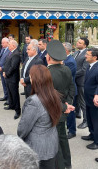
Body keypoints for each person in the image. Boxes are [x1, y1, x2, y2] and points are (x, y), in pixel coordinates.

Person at [18, 65, 62, 169]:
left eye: (31, 77)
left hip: (37, 149)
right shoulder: (54, 95)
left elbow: (22, 129)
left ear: (35, 80)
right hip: (52, 144)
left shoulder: (34, 101)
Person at [46, 40, 75, 169]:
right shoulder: (67, 69)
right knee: (62, 138)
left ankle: (60, 165)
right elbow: (71, 88)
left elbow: (49, 97)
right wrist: (67, 105)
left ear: (48, 57)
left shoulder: (47, 73)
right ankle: (67, 163)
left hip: (52, 112)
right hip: (63, 110)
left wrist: (64, 107)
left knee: (55, 140)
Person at [81, 48, 98, 150]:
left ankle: (96, 142)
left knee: (96, 121)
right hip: (88, 98)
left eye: (88, 54)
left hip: (94, 100)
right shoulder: (89, 66)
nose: (85, 56)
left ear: (95, 57)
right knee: (90, 119)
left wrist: (96, 94)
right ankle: (92, 134)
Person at [3, 40, 21, 119]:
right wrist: (4, 72)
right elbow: (6, 63)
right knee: (10, 92)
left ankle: (17, 110)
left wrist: (6, 74)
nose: (8, 45)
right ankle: (11, 105)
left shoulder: (16, 54)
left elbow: (13, 67)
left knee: (14, 94)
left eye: (9, 44)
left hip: (12, 77)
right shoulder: (10, 52)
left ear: (13, 45)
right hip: (8, 76)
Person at [63, 42, 77, 139]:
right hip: (64, 89)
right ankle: (68, 127)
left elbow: (66, 76)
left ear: (66, 50)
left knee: (70, 111)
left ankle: (72, 131)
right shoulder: (65, 59)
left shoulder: (70, 61)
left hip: (69, 90)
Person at [74, 37, 89, 129]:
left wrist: (71, 74)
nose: (77, 43)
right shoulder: (76, 53)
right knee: (76, 99)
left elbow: (83, 70)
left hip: (81, 82)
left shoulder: (87, 54)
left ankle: (86, 121)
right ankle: (77, 113)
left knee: (83, 102)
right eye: (78, 42)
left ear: (85, 45)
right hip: (75, 81)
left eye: (80, 43)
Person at [0, 37, 10, 102]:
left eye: (3, 43)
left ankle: (9, 99)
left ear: (7, 43)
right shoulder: (2, 49)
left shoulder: (9, 50)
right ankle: (5, 95)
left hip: (6, 70)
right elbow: (0, 58)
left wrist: (2, 67)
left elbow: (8, 62)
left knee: (7, 85)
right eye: (1, 43)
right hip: (0, 70)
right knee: (3, 84)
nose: (2, 44)